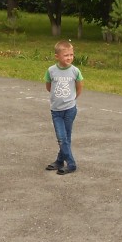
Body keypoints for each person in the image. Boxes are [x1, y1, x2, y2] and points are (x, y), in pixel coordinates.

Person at [44, 40, 83, 175]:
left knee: (65, 137)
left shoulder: (75, 71)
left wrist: (71, 99)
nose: (69, 57)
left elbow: (79, 87)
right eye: (66, 55)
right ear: (57, 56)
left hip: (70, 110)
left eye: (71, 55)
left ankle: (71, 164)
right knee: (62, 137)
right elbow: (49, 87)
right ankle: (60, 161)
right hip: (56, 111)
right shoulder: (51, 70)